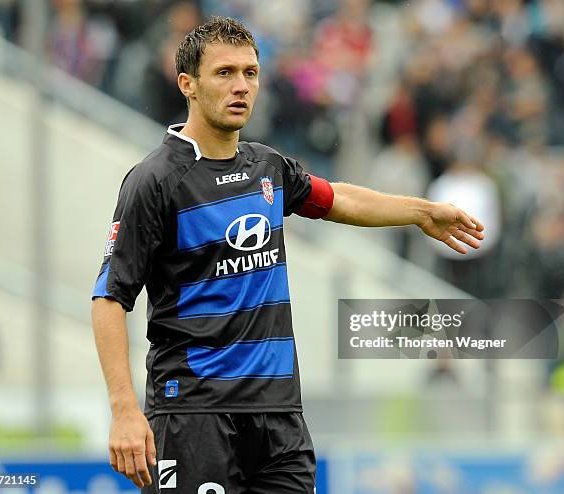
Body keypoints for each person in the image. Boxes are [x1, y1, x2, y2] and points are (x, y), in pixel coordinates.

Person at [91, 16, 485, 494]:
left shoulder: (267, 167)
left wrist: (421, 213)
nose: (241, 87)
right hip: (195, 415)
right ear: (187, 85)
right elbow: (110, 298)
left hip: (280, 418)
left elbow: (337, 198)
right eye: (225, 73)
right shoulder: (154, 181)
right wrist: (125, 410)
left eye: (250, 73)